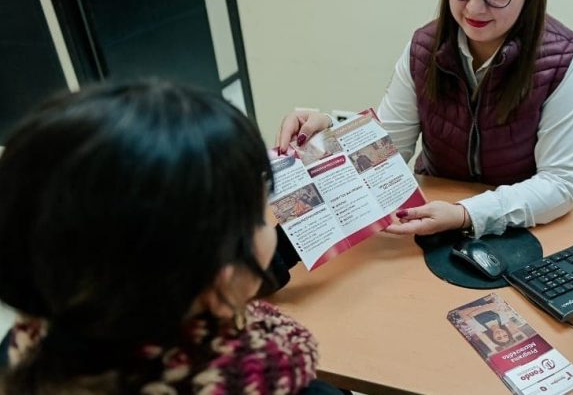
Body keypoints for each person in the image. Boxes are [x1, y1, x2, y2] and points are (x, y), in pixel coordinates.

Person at [277, 0, 573, 239]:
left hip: (521, 229)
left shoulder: (562, 58)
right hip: (432, 218)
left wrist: (466, 214)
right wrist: (327, 136)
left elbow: (561, 183)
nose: (473, 6)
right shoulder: (423, 48)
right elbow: (386, 149)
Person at [0, 81, 340, 394]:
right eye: (261, 208)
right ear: (221, 284)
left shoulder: (26, 353)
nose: (271, 215)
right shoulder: (283, 384)